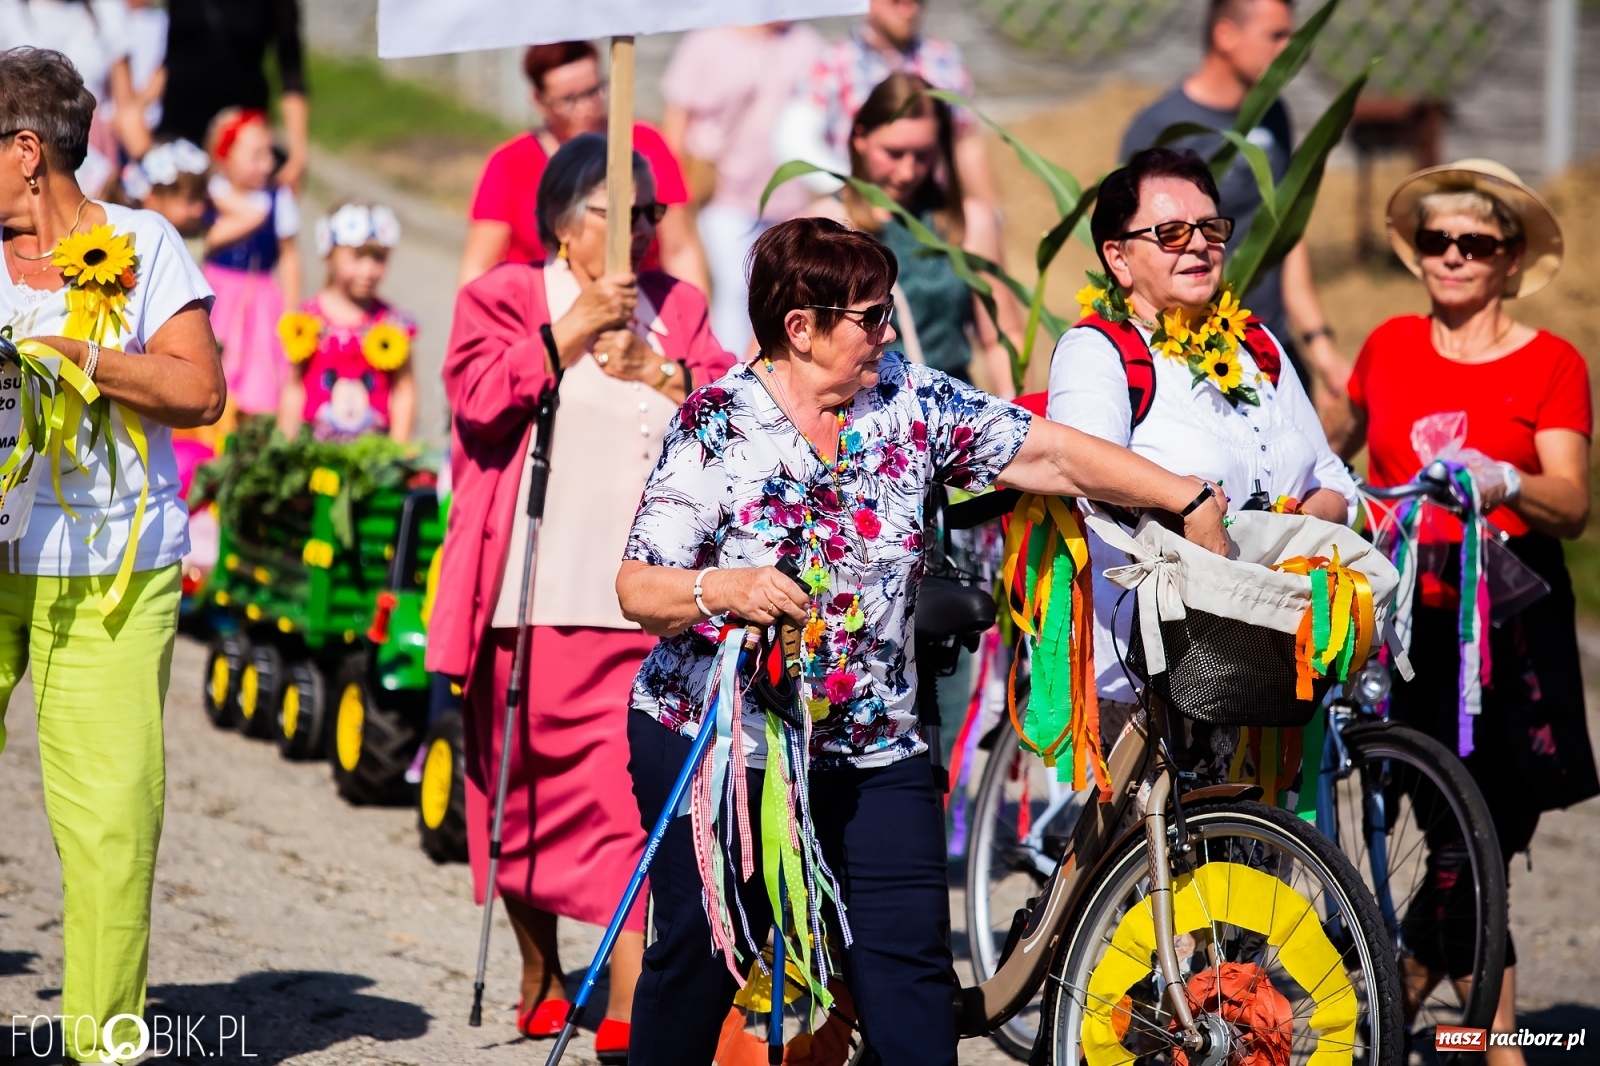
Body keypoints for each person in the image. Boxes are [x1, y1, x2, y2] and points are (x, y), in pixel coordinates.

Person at [614, 215, 1228, 1066]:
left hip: (873, 749)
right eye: (870, 317)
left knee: (908, 983)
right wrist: (724, 587)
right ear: (802, 328)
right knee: (700, 962)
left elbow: (1044, 454)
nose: (888, 331)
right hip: (727, 749)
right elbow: (638, 588)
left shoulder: (905, 397)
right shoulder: (719, 423)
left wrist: (1184, 495)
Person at [428, 133, 733, 1060]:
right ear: (566, 224)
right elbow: (477, 402)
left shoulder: (677, 306)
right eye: (621, 213)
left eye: (651, 214)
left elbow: (731, 409)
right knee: (521, 792)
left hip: (643, 601)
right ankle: (540, 967)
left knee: (626, 806)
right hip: (531, 593)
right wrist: (566, 335)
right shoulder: (504, 297)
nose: (643, 229)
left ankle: (631, 1008)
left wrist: (668, 374)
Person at [1328, 159, 1597, 1066]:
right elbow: (1333, 449)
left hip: (1514, 619)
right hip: (1416, 617)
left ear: (1509, 258)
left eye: (1473, 243)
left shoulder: (1553, 363)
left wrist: (1512, 478)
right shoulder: (1389, 347)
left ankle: (1413, 999)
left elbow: (1572, 501)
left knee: (1490, 822)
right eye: (1437, 241)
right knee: (1454, 828)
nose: (1452, 257)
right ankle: (1496, 1042)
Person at [0, 46, 222, 1064]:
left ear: (26, 151)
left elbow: (199, 390)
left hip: (108, 566)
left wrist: (85, 357)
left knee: (109, 827)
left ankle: (101, 1045)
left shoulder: (143, 244)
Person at [1049, 146, 1356, 726]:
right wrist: (1185, 500)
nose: (1198, 245)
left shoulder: (1257, 346)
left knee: (1269, 819)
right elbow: (1083, 467)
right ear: (1118, 257)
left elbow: (1334, 477)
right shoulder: (1100, 349)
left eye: (1210, 229)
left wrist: (1298, 533)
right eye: (1169, 232)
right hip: (1150, 671)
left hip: (1270, 655)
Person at [1121, 0, 1347, 405]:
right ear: (1225, 35)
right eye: (1276, 36)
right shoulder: (1160, 128)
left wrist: (1318, 342)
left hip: (1268, 342)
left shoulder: (1275, 115)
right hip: (1195, 358)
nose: (1289, 50)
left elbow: (1284, 233)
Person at [809, 73, 1018, 397]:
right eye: (894, 153)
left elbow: (1002, 339)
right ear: (860, 138)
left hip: (952, 413)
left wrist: (1011, 419)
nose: (908, 171)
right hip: (862, 415)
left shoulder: (968, 221)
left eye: (923, 155)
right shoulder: (826, 225)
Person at [458, 40, 706, 293]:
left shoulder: (647, 145)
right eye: (568, 99)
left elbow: (680, 250)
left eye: (592, 91)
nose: (586, 107)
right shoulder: (510, 162)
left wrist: (698, 322)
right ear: (538, 100)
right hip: (540, 315)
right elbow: (478, 266)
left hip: (640, 306)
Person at [660, 21, 823, 354]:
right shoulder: (706, 42)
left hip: (790, 200)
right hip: (723, 195)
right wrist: (673, 195)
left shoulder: (807, 44)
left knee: (787, 294)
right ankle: (729, 381)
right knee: (737, 291)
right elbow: (676, 123)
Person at [793, 0, 994, 208]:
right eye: (896, 2)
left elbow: (965, 141)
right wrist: (841, 190)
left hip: (930, 211)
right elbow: (800, 141)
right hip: (859, 209)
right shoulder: (833, 61)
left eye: (917, 2)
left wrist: (990, 211)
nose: (909, 11)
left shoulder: (943, 59)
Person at [277, 201, 416, 442]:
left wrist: (398, 447)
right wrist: (286, 442)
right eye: (357, 258)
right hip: (314, 450)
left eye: (379, 259)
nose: (368, 270)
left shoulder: (392, 323)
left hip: (372, 453)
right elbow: (293, 386)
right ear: (329, 256)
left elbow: (404, 389)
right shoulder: (307, 320)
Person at [202, 106, 300, 420]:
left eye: (268, 155)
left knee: (261, 368)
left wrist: (293, 306)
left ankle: (252, 421)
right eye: (256, 156)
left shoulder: (276, 198)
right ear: (225, 155)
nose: (267, 164)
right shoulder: (210, 195)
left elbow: (289, 255)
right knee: (215, 359)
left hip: (260, 296)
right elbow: (205, 241)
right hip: (217, 290)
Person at [157, 0, 307, 192]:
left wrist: (297, 155)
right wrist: (135, 109)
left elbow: (291, 74)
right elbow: (168, 59)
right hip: (178, 130)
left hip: (239, 141)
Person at [0, 0, 142, 194]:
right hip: (24, 151)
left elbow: (127, 109)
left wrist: (156, 167)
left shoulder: (108, 10)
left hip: (94, 154)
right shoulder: (6, 10)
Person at [118, 135, 210, 237]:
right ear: (152, 201)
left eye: (202, 197)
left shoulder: (203, 235)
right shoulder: (140, 243)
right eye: (190, 200)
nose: (199, 210)